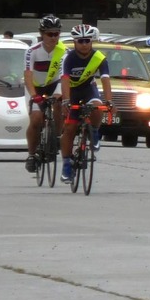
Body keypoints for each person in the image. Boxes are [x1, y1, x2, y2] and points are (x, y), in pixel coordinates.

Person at [58, 24, 113, 183]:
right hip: (72, 91)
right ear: (75, 42)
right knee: (70, 128)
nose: (84, 44)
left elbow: (105, 80)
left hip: (88, 89)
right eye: (80, 41)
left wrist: (109, 101)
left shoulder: (99, 58)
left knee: (97, 106)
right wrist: (66, 101)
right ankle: (67, 165)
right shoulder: (68, 58)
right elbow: (65, 80)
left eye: (87, 41)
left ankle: (94, 132)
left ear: (92, 41)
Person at [23, 15, 66, 173]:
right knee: (36, 120)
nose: (53, 37)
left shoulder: (63, 51)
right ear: (42, 34)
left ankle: (55, 138)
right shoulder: (31, 51)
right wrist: (34, 96)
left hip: (55, 84)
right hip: (35, 86)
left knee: (60, 105)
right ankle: (31, 154)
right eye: (50, 34)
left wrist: (58, 94)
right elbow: (28, 76)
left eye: (57, 34)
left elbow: (63, 76)